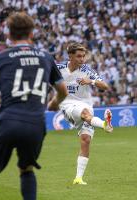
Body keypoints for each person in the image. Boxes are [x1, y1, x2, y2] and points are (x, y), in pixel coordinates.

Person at [0, 12, 67, 200]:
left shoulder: (0, 57)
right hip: (35, 124)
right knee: (26, 169)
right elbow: (63, 90)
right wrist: (54, 102)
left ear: (9, 34)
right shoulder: (46, 57)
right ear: (31, 33)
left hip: (7, 121)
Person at [53, 41, 113, 185]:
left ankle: (78, 178)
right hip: (67, 104)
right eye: (79, 56)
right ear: (70, 56)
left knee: (86, 140)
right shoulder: (59, 68)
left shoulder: (87, 70)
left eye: (83, 56)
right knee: (85, 113)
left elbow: (105, 86)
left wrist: (91, 81)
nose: (82, 59)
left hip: (86, 104)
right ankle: (104, 124)